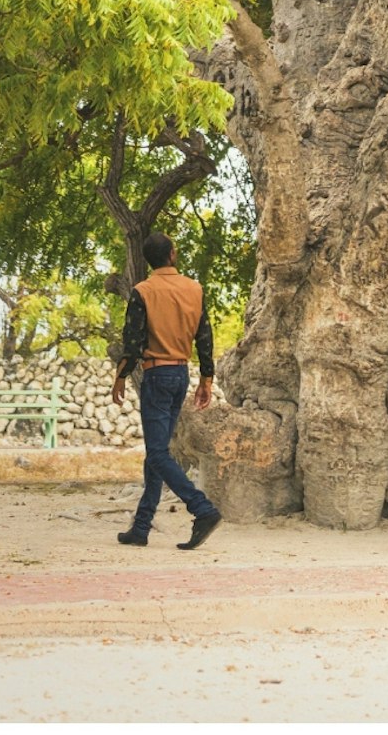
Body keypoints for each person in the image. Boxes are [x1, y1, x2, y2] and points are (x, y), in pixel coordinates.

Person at [112, 233, 223, 549]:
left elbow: (132, 342)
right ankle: (142, 526)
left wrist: (120, 376)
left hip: (156, 374)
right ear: (172, 255)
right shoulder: (194, 289)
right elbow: (205, 336)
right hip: (180, 374)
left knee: (158, 452)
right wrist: (207, 378)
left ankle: (202, 509)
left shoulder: (142, 292)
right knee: (157, 452)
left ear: (149, 259)